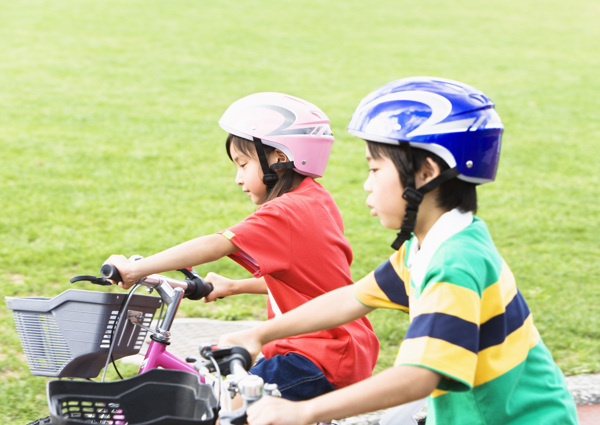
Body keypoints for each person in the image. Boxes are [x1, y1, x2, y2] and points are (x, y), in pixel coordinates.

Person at [220, 78, 579, 424]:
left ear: (425, 172)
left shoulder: (455, 264)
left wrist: (304, 411)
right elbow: (352, 298)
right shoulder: (429, 246)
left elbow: (418, 376)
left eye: (375, 169)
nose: (366, 183)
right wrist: (260, 334)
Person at [103, 92, 379, 402]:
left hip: (316, 355)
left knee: (226, 409)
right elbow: (307, 281)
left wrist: (137, 268)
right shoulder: (315, 199)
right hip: (338, 347)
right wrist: (234, 286)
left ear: (278, 157)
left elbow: (216, 244)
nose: (238, 178)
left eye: (243, 164)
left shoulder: (283, 213)